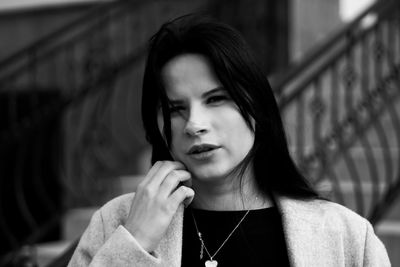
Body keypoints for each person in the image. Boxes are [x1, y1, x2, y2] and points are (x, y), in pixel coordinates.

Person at [68, 14, 390, 267]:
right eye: (175, 109)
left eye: (216, 99)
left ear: (256, 106)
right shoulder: (116, 224)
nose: (194, 125)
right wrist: (135, 243)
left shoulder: (346, 237)